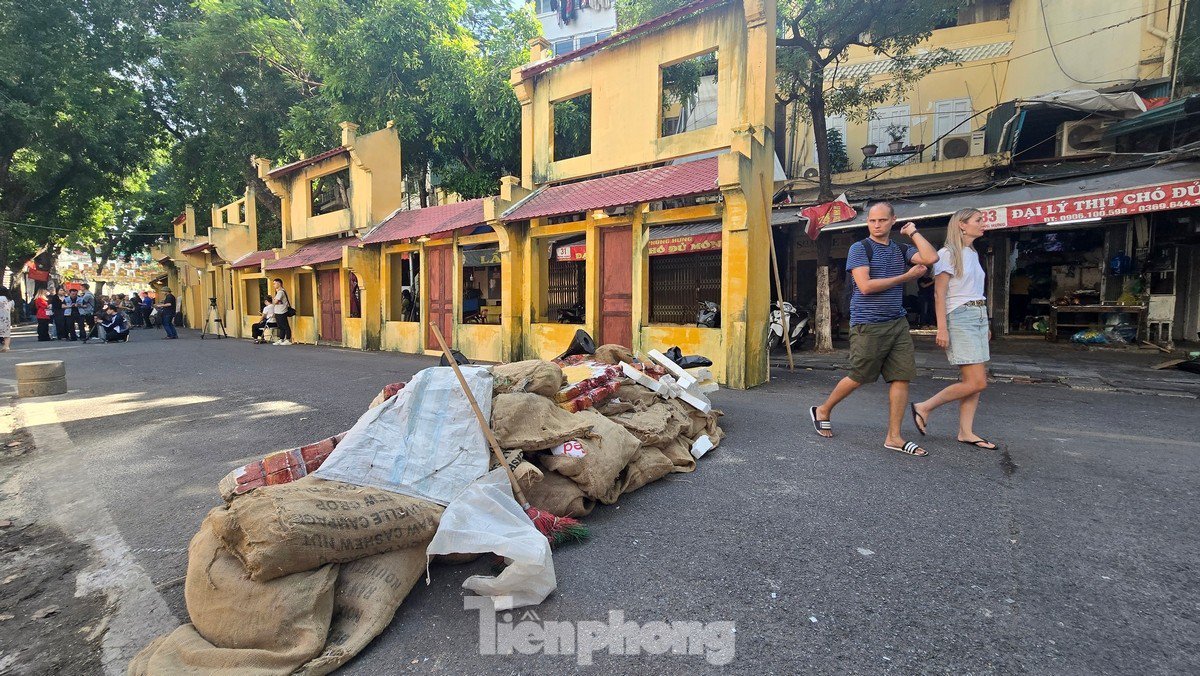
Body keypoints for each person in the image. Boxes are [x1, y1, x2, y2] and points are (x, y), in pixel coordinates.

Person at [809, 202, 940, 457]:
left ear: (893, 221)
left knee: (901, 376)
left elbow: (931, 258)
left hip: (897, 322)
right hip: (868, 323)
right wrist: (906, 277)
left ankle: (894, 437)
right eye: (872, 221)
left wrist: (913, 232)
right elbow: (866, 286)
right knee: (860, 375)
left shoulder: (900, 249)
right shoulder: (860, 248)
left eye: (882, 220)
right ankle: (822, 410)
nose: (877, 225)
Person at [911, 208, 997, 450]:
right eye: (978, 220)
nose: (983, 224)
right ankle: (924, 407)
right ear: (961, 224)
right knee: (978, 382)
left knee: (973, 380)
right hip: (959, 316)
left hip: (977, 315)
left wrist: (986, 322)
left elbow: (976, 291)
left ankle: (966, 432)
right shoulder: (947, 254)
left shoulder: (971, 252)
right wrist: (942, 328)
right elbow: (939, 293)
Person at [271, 278, 292, 345]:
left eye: (275, 283)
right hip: (278, 311)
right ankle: (281, 339)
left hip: (282, 311)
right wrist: (274, 301)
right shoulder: (278, 292)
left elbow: (275, 301)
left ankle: (288, 339)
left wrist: (273, 300)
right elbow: (275, 301)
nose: (273, 285)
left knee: (285, 325)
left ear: (279, 283)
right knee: (280, 326)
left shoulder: (281, 292)